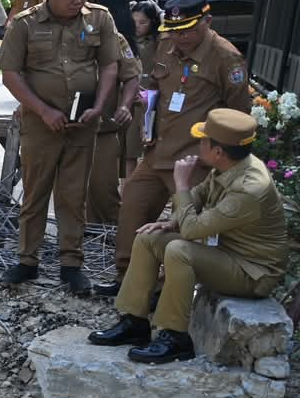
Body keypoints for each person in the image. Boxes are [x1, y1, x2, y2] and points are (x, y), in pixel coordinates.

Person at [88, 109, 288, 364]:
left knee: (179, 252)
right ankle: (134, 323)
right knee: (148, 238)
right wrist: (171, 221)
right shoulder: (229, 165)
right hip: (226, 256)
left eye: (203, 140)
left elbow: (192, 229)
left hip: (252, 272)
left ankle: (175, 338)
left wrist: (180, 184)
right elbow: (200, 195)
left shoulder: (249, 189)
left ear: (218, 151)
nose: (198, 144)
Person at [96, 0, 252, 295]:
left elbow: (238, 115)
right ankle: (126, 279)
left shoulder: (226, 58)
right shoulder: (167, 44)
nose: (179, 37)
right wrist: (146, 110)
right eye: (174, 30)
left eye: (187, 30)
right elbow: (155, 85)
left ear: (207, 21)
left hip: (195, 160)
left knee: (184, 227)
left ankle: (167, 290)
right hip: (156, 152)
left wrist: (218, 161)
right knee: (132, 209)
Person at [0, 0, 120, 294]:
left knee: (73, 194)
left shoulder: (99, 19)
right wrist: (42, 110)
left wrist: (100, 103)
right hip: (40, 124)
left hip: (83, 124)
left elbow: (110, 65)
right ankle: (27, 261)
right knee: (35, 192)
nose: (79, 0)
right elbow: (10, 74)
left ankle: (71, 265)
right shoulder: (25, 23)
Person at [85, 0, 141, 226]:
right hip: (67, 126)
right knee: (75, 193)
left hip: (103, 129)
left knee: (103, 192)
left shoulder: (115, 37)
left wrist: (124, 105)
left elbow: (132, 75)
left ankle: (114, 241)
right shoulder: (67, 31)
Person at [124, 1, 162, 177]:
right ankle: (126, 193)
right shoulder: (125, 39)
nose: (137, 26)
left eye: (143, 22)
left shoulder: (157, 41)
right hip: (131, 100)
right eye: (134, 21)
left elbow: (169, 28)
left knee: (150, 146)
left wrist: (159, 11)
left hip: (151, 101)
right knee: (129, 153)